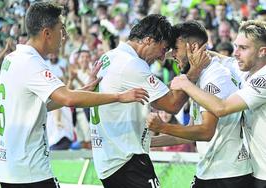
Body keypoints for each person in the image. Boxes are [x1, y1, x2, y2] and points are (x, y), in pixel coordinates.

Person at [0, 2, 149, 188]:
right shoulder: (31, 63)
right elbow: (68, 98)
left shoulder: (11, 59)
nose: (65, 36)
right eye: (61, 29)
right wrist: (119, 97)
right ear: (47, 33)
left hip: (9, 170)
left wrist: (83, 91)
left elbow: (41, 104)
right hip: (30, 171)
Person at [89, 14, 210, 188]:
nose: (162, 58)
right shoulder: (132, 64)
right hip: (126, 161)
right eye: (163, 49)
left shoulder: (110, 56)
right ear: (148, 40)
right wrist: (193, 72)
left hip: (109, 158)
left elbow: (159, 92)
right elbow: (172, 105)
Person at [147, 20, 252, 188]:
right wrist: (148, 143)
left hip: (228, 176)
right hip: (210, 171)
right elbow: (190, 130)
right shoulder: (198, 75)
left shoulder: (215, 77)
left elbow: (205, 131)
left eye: (176, 48)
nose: (172, 54)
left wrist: (162, 127)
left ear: (193, 48)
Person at [170, 20, 266, 188]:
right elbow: (225, 59)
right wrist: (192, 51)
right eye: (236, 46)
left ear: (262, 52)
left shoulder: (263, 80)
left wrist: (185, 82)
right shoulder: (247, 70)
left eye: (243, 48)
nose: (236, 53)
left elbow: (222, 108)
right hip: (255, 169)